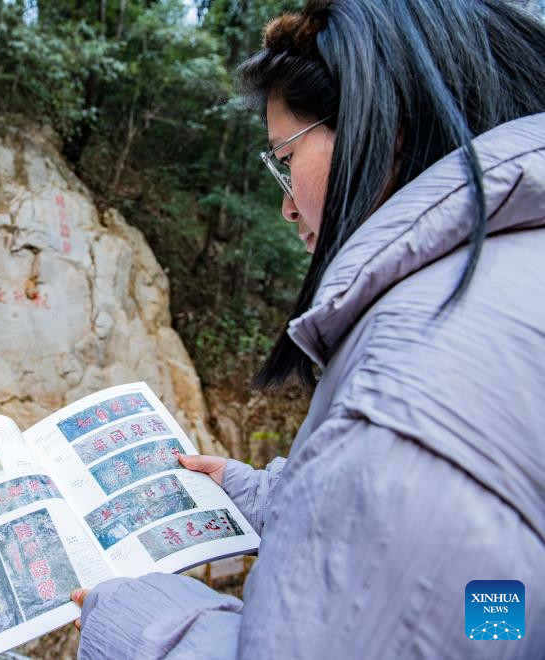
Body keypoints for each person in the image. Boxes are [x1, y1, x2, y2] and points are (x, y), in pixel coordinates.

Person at [69, 0, 545, 657]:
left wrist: (132, 616)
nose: (287, 205)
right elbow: (494, 615)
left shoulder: (413, 380)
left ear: (389, 126)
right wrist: (275, 497)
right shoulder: (509, 279)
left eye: (284, 159)